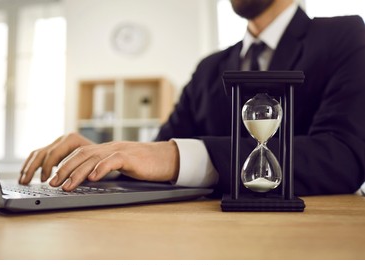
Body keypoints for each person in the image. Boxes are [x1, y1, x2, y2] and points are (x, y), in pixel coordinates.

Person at [19, 0, 365, 197]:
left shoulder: (344, 36)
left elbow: (343, 158)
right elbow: (156, 155)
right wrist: (105, 160)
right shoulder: (209, 68)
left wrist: (175, 155)